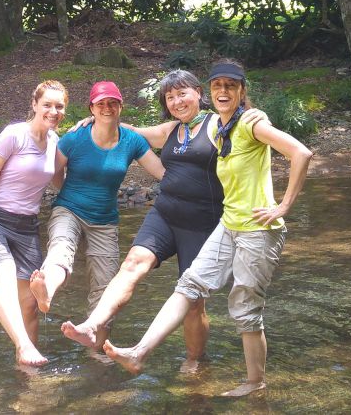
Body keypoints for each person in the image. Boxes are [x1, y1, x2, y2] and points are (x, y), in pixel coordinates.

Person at [103, 59, 313, 397]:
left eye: (231, 86)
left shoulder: (251, 122)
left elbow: (300, 153)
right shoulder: (218, 127)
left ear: (242, 91)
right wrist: (107, 120)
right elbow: (158, 134)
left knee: (245, 309)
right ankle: (138, 353)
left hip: (258, 231)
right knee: (188, 286)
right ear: (210, 93)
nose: (224, 92)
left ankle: (255, 382)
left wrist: (283, 206)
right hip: (229, 224)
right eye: (219, 86)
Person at [61, 70, 266, 372]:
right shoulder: (171, 130)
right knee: (132, 264)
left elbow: (249, 122)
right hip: (165, 213)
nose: (177, 101)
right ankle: (92, 325)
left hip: (202, 223)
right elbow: (135, 130)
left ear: (199, 93)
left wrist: (256, 113)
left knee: (193, 300)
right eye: (170, 97)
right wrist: (100, 119)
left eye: (182, 93)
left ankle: (195, 360)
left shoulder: (218, 124)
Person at [29, 81, 165, 348]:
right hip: (69, 208)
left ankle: (95, 347)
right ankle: (46, 291)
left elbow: (161, 172)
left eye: (112, 103)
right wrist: (68, 192)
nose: (107, 107)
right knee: (61, 248)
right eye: (100, 103)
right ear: (91, 108)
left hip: (105, 221)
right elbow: (54, 173)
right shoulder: (74, 139)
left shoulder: (132, 141)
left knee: (106, 286)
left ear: (120, 107)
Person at [0, 80, 69, 367]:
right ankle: (23, 346)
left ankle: (27, 372)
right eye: (47, 104)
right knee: (5, 278)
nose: (53, 111)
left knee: (30, 305)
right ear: (34, 105)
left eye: (59, 106)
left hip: (27, 227)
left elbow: (61, 184)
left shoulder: (56, 143)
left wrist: (83, 135)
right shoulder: (14, 135)